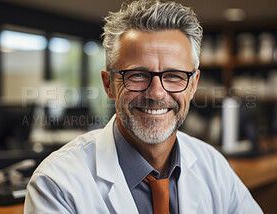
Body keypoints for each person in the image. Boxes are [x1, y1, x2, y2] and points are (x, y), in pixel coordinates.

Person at [24, 0, 263, 213]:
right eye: (137, 75)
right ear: (109, 85)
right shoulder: (57, 184)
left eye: (174, 75)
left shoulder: (213, 165)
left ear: (192, 86)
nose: (157, 93)